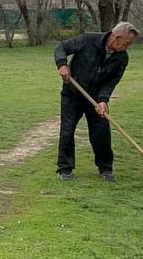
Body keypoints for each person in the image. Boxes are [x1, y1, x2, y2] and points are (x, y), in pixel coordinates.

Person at [54, 22, 138, 183]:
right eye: (127, 43)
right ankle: (65, 168)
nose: (128, 47)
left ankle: (105, 169)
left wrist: (103, 101)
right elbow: (61, 47)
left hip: (95, 99)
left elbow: (111, 82)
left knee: (101, 132)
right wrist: (62, 64)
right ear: (116, 38)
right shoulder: (88, 40)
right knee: (67, 130)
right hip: (72, 94)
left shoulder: (122, 58)